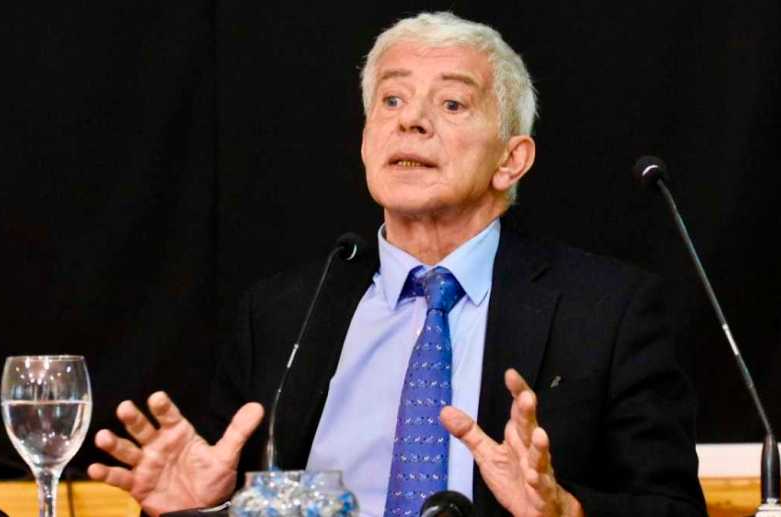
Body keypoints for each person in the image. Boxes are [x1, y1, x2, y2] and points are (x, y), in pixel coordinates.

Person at [88, 12, 706, 517]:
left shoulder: (606, 313)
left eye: (453, 104)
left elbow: (674, 509)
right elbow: (236, 502)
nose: (411, 120)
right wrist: (202, 509)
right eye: (391, 99)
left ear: (511, 160)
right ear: (366, 142)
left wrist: (565, 512)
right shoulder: (281, 315)